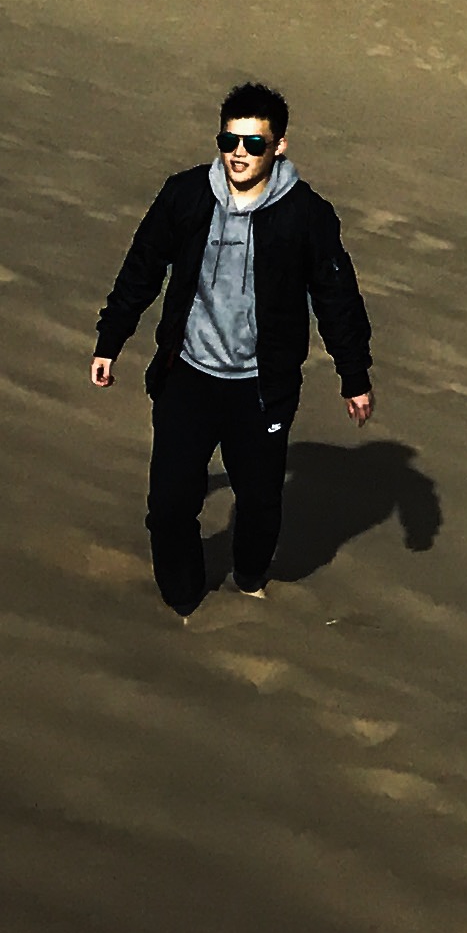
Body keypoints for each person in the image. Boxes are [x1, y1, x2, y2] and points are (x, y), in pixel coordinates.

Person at [90, 81, 375, 621]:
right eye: (229, 141)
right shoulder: (185, 195)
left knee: (261, 503)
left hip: (260, 389)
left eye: (254, 143)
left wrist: (354, 376)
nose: (239, 154)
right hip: (186, 377)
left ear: (279, 146)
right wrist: (111, 340)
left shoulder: (307, 215)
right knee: (169, 506)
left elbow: (336, 298)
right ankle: (182, 600)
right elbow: (142, 268)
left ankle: (248, 577)